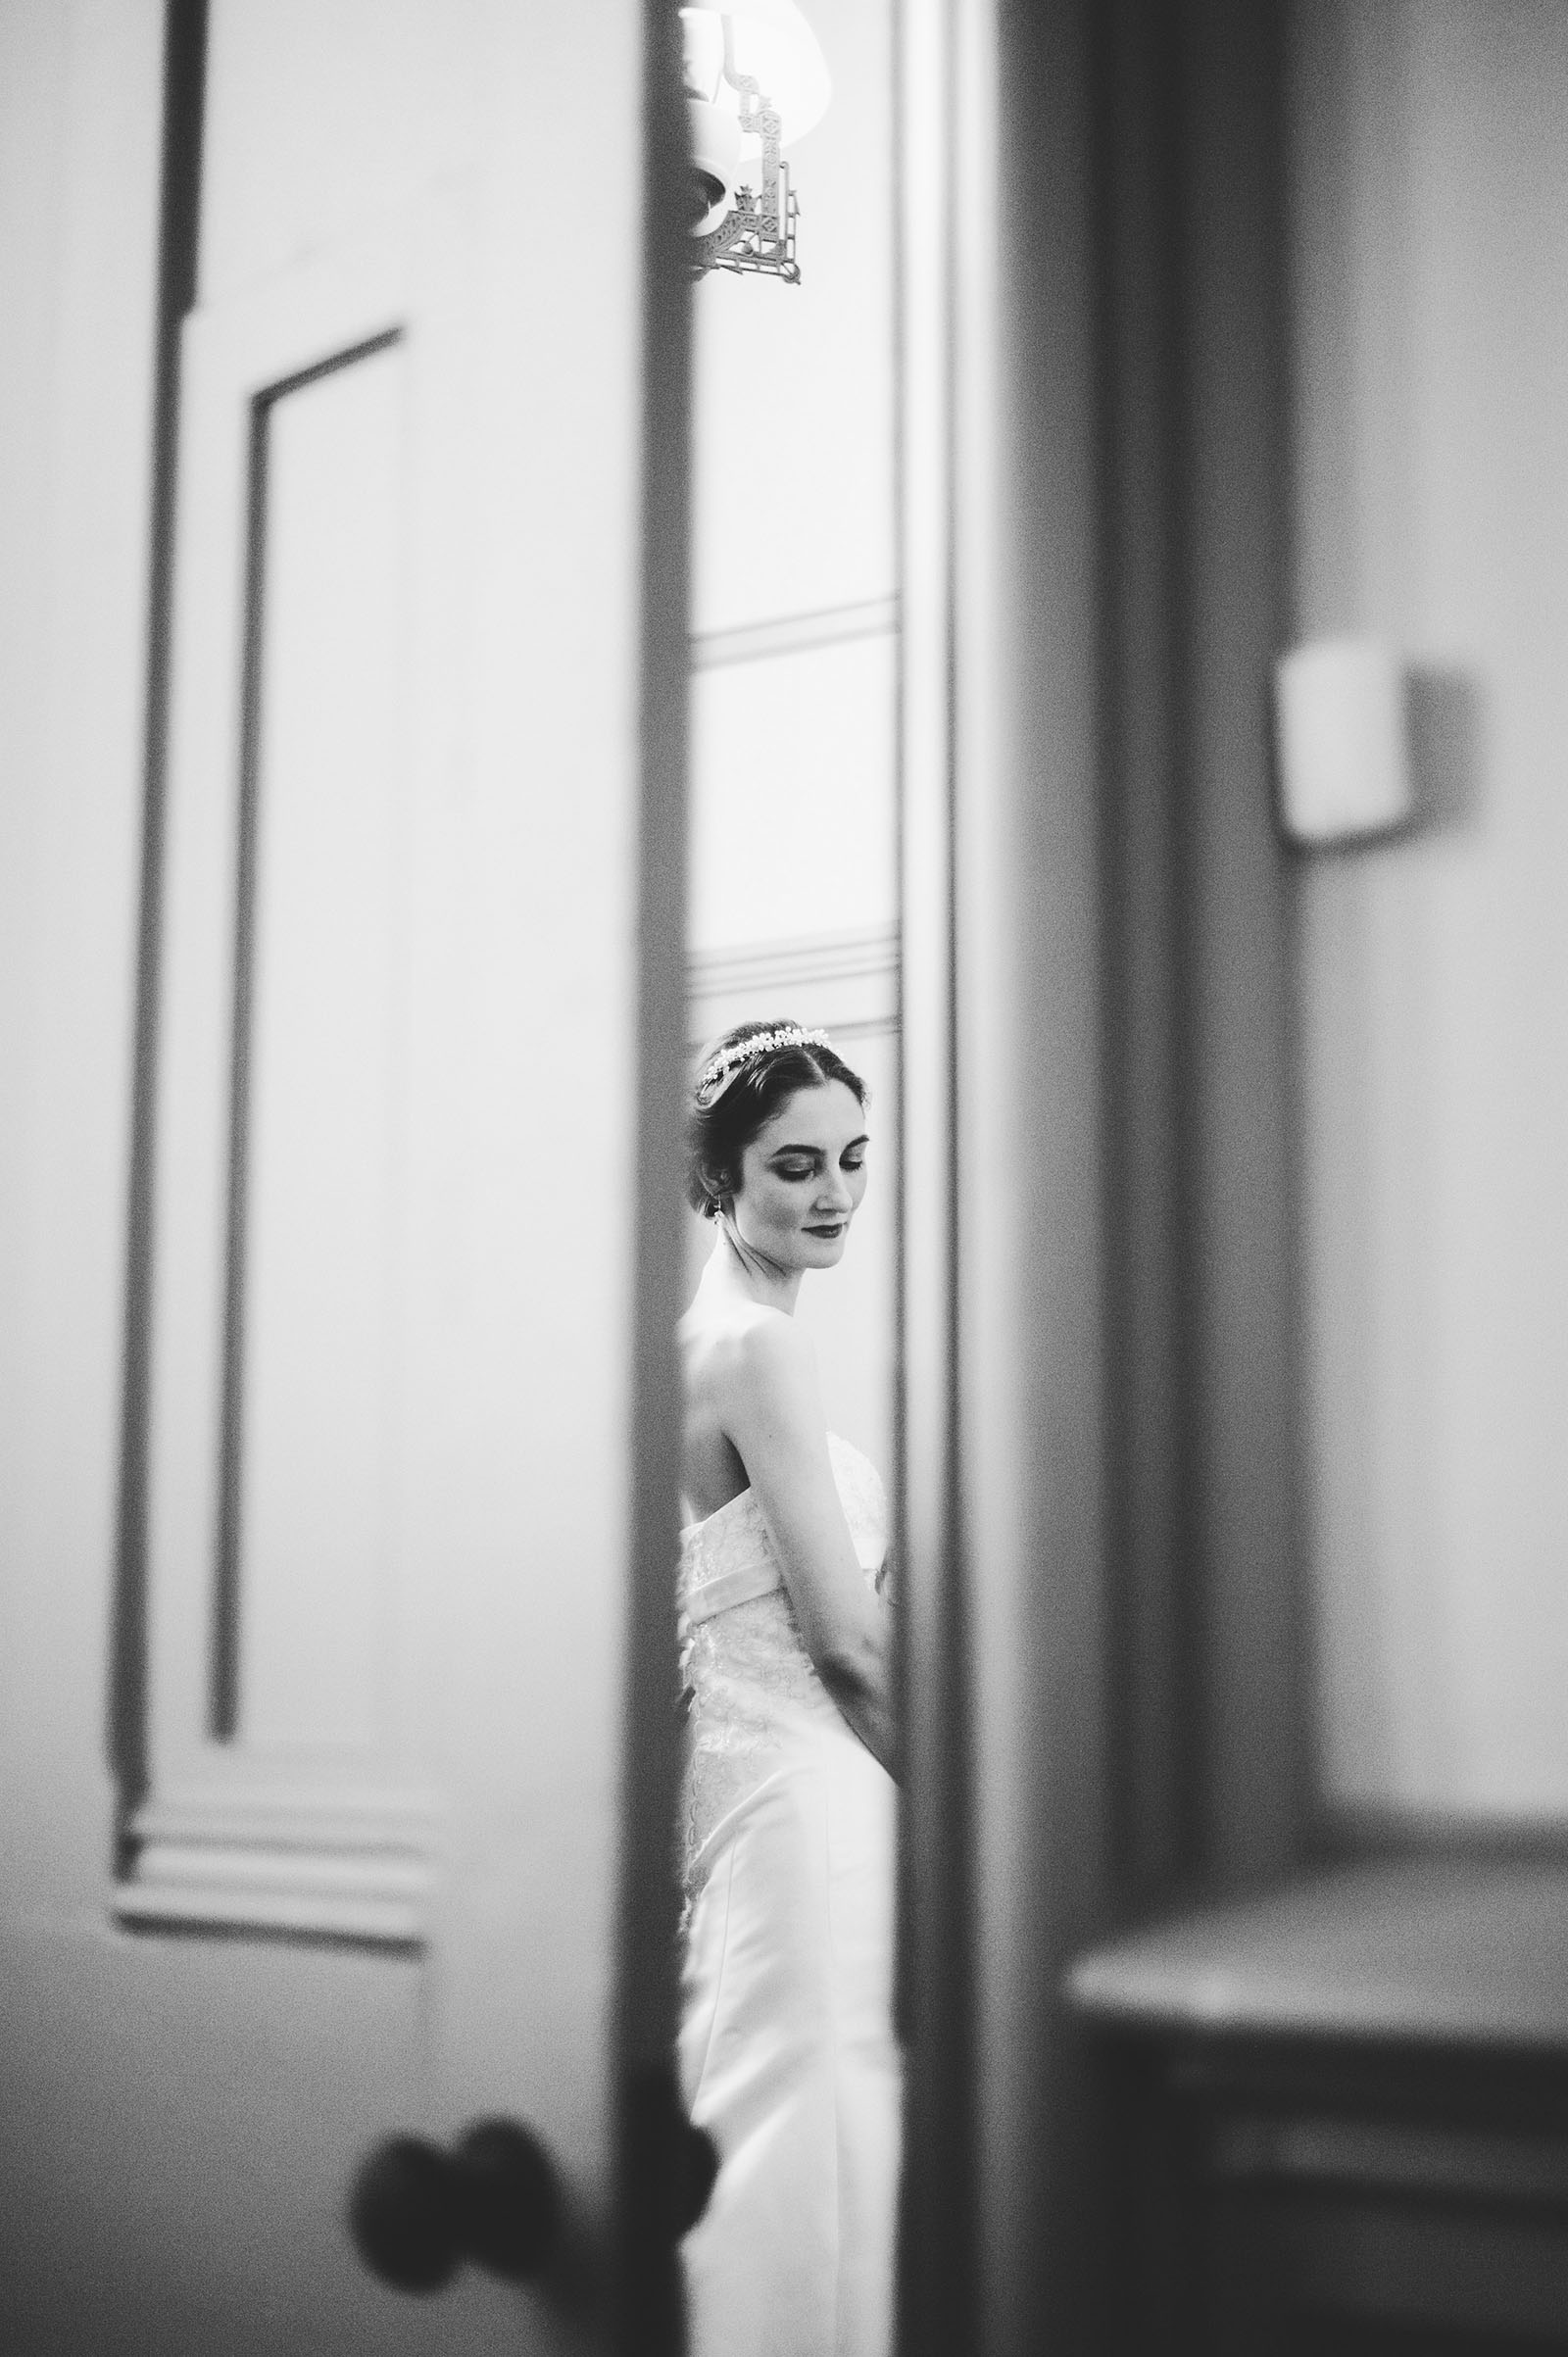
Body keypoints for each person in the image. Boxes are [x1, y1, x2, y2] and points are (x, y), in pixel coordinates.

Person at [676, 1018, 901, 2357]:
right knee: (809, 2145)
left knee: (765, 2127)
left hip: (739, 1791)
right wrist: (966, 1819)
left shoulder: (687, 1342)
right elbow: (848, 1644)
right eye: (798, 1165)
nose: (836, 1195)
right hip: (810, 1794)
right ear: (720, 1178)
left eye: (856, 1160)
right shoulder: (761, 1350)